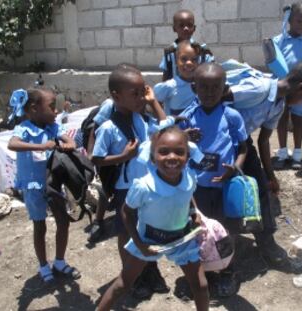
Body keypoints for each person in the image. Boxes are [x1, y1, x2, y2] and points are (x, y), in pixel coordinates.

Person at [98, 126, 209, 311]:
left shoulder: (189, 177)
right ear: (152, 157)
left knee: (201, 285)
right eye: (163, 152)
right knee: (123, 284)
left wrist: (194, 213)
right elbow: (126, 212)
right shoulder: (144, 186)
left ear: (187, 156)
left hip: (181, 238)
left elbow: (188, 193)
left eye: (179, 152)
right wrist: (139, 243)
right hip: (148, 239)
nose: (172, 157)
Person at [91, 65, 169, 299]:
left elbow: (166, 128)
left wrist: (153, 102)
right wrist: (123, 157)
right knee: (127, 233)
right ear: (116, 96)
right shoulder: (108, 128)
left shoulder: (142, 119)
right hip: (126, 191)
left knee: (149, 229)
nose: (141, 97)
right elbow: (96, 158)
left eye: (143, 91)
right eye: (135, 93)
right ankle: (131, 276)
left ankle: (150, 271)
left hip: (147, 186)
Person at [235, 62, 302, 266]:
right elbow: (219, 96)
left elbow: (264, 140)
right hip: (219, 140)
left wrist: (270, 176)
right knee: (223, 191)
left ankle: (267, 243)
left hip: (242, 142)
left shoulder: (279, 105)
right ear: (301, 88)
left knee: (261, 189)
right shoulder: (260, 88)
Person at [179, 63, 248, 297]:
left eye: (215, 87)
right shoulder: (187, 117)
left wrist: (235, 168)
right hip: (196, 190)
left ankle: (228, 273)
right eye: (203, 87)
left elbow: (243, 147)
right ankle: (203, 274)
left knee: (224, 232)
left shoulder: (231, 116)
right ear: (193, 87)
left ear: (224, 88)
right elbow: (174, 147)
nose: (209, 93)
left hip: (223, 187)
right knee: (198, 231)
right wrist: (183, 137)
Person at [7, 88, 79, 284]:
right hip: (33, 185)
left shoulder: (53, 128)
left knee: (63, 221)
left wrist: (70, 144)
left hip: (53, 183)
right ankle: (43, 265)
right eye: (51, 107)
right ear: (34, 109)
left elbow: (69, 139)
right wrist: (40, 146)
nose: (56, 111)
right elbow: (12, 144)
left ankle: (60, 261)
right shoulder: (24, 128)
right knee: (40, 226)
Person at [273, 1, 302, 170]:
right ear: (289, 20)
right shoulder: (280, 40)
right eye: (299, 21)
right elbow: (273, 61)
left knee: (298, 121)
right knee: (281, 119)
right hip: (283, 87)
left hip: (300, 89)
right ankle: (283, 152)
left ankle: (298, 154)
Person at [159, 9, 213, 81]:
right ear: (174, 28)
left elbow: (211, 74)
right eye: (181, 25)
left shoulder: (203, 52)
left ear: (194, 28)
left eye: (190, 25)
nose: (186, 28)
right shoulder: (170, 53)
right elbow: (166, 77)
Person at [154, 40, 201, 115]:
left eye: (194, 59)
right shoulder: (170, 86)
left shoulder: (202, 85)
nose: (189, 63)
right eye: (184, 59)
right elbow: (152, 100)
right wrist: (163, 120)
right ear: (176, 61)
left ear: (198, 62)